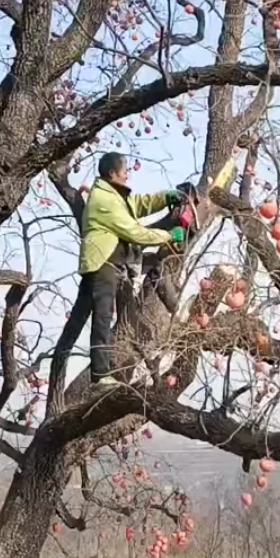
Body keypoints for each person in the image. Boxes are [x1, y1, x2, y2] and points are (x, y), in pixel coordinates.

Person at [52, 153, 185, 390]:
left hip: (102, 264)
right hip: (103, 265)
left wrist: (166, 198)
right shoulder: (105, 200)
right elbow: (134, 231)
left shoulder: (114, 195)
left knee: (77, 321)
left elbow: (141, 204)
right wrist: (167, 236)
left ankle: (59, 365)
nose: (127, 174)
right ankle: (100, 376)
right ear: (113, 173)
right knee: (102, 317)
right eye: (124, 170)